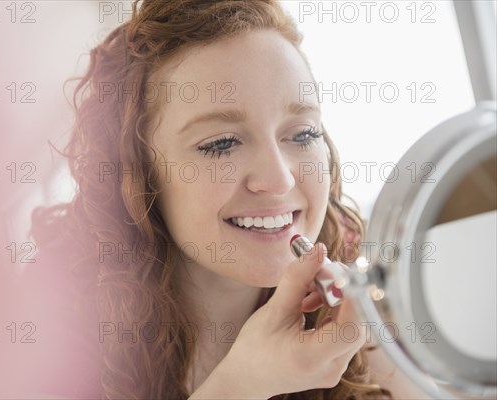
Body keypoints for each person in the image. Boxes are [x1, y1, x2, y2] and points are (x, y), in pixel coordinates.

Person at [28, 0, 431, 398]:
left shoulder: (346, 262)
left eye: (303, 134)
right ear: (137, 175)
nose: (277, 179)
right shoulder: (50, 324)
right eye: (221, 143)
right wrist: (242, 385)